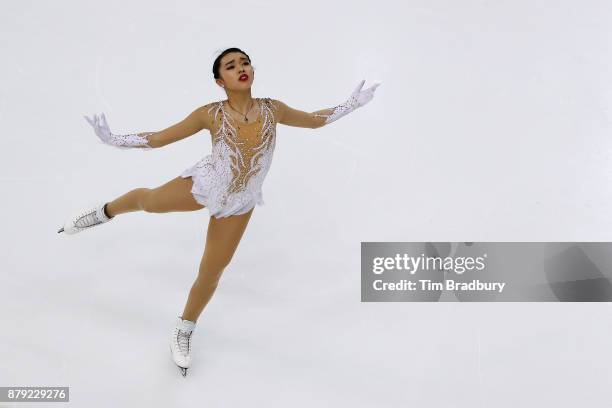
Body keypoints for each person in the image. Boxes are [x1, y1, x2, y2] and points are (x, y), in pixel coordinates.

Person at [57, 47, 381, 376]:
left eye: (244, 62)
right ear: (219, 81)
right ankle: (104, 212)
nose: (241, 68)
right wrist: (115, 139)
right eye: (230, 66)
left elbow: (313, 121)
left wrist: (350, 105)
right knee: (150, 201)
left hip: (240, 201)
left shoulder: (273, 109)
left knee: (211, 271)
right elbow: (158, 139)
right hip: (207, 184)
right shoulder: (210, 114)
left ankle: (185, 327)